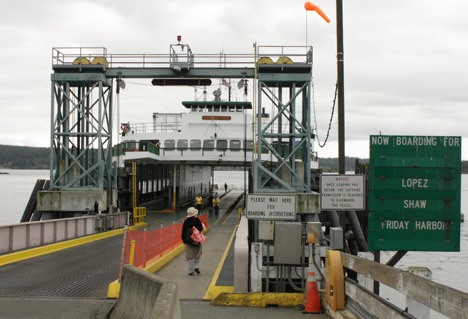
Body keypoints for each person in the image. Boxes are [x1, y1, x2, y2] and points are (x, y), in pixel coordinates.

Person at [181, 207, 204, 275]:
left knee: (190, 256)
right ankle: (196, 266)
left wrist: (184, 240)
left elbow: (183, 232)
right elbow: (200, 229)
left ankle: (191, 271)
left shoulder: (186, 222)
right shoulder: (197, 220)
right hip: (197, 241)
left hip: (188, 241)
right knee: (198, 254)